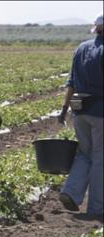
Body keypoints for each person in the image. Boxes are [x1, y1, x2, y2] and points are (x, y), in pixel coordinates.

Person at [57, 12, 103, 217]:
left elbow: (71, 83)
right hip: (100, 111)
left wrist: (64, 110)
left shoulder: (82, 48)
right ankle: (96, 208)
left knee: (85, 154)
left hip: (79, 109)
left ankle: (71, 193)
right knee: (100, 158)